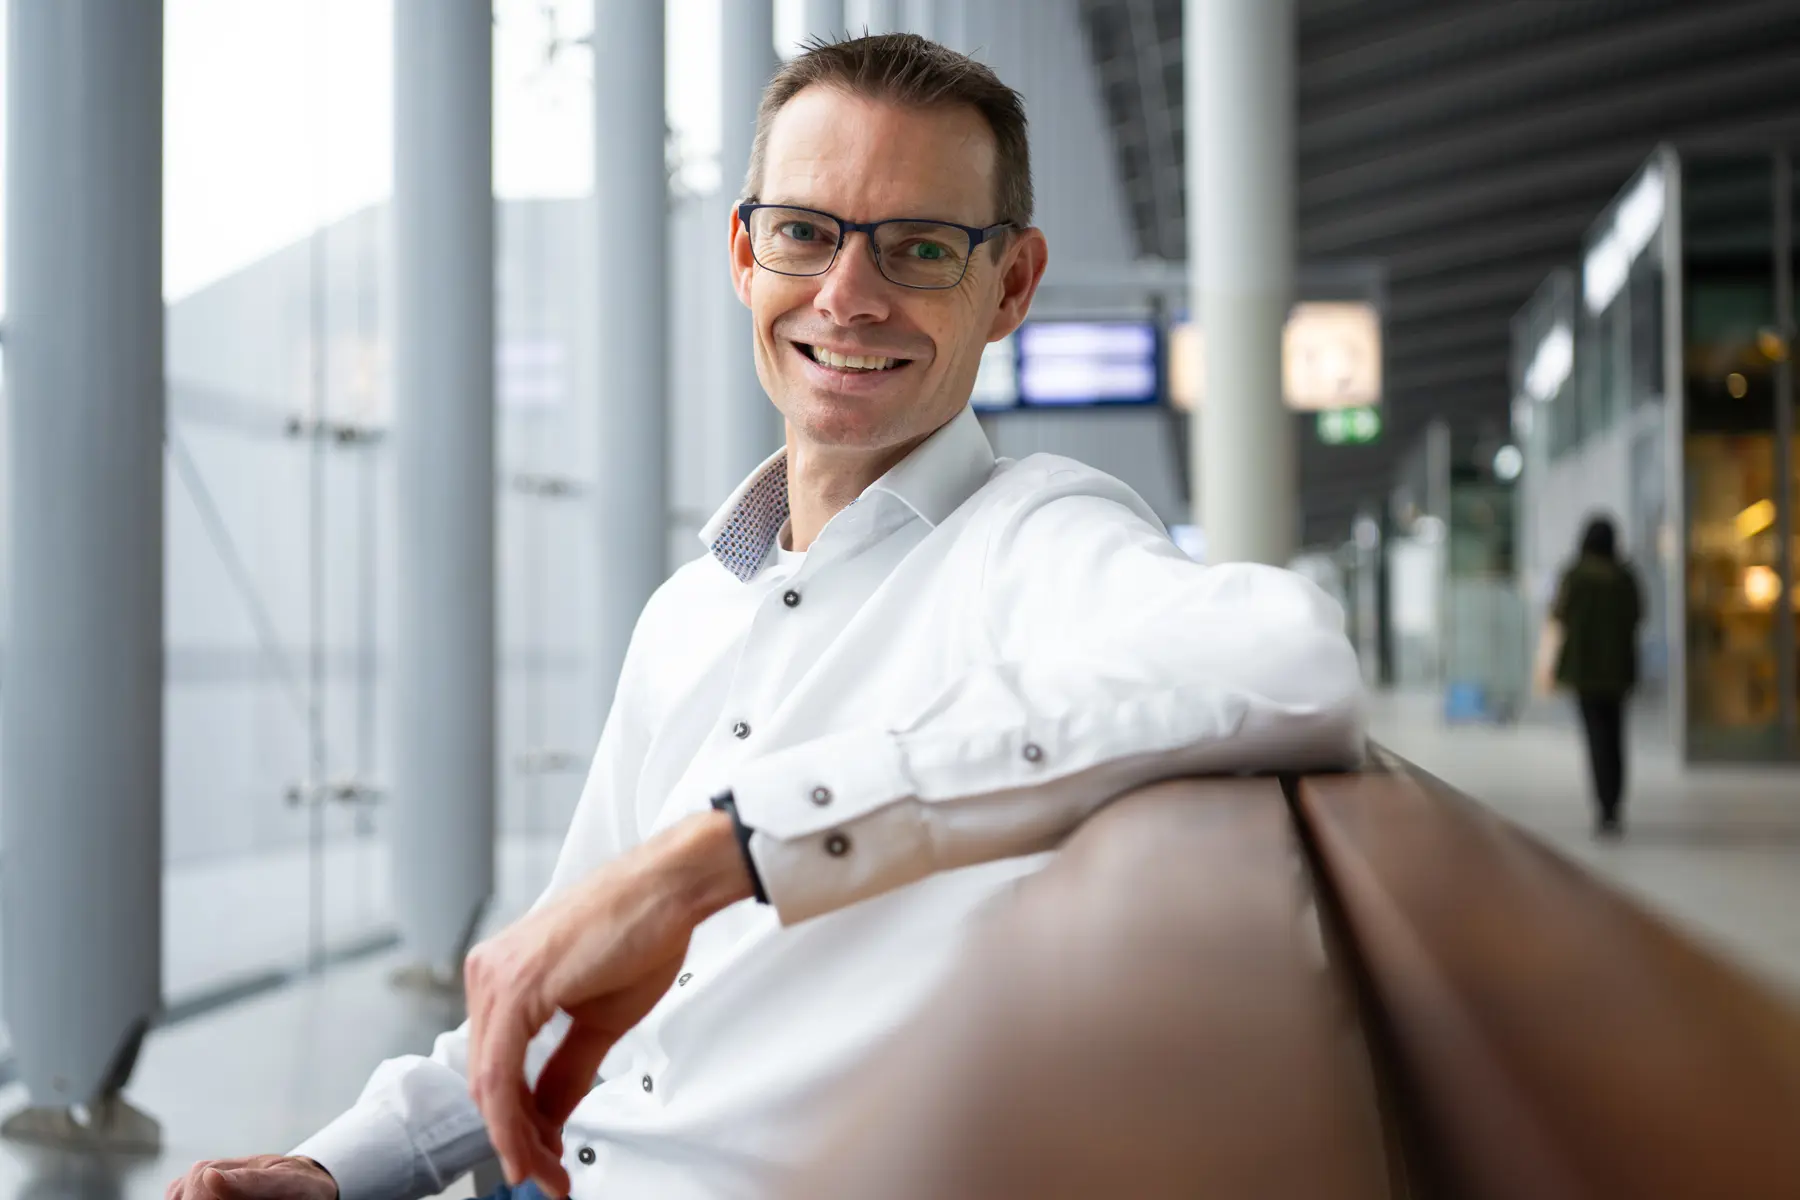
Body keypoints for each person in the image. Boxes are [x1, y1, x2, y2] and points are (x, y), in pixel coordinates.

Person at [166, 34, 1364, 1200]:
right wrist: (338, 1167)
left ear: (1010, 286)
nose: (848, 297)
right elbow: (554, 974)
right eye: (805, 233)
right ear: (745, 254)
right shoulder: (689, 610)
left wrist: (734, 847)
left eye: (921, 248)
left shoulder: (1035, 537)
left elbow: (1291, 661)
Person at [1543, 516, 1643, 836]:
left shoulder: (1575, 576)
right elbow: (1639, 614)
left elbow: (1558, 613)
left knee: (1596, 739)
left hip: (1585, 672)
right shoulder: (1624, 576)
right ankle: (1615, 803)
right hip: (1618, 671)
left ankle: (1603, 807)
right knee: (1616, 738)